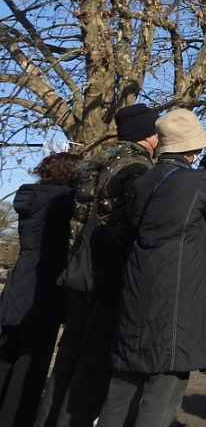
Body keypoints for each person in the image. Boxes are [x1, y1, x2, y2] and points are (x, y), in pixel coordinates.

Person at [96, 108, 206, 427]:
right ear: (193, 147)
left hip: (136, 290)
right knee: (164, 393)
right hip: (177, 299)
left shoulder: (141, 180)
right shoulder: (197, 181)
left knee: (120, 392)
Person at [35, 104, 160, 427]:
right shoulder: (136, 168)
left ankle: (47, 419)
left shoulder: (95, 165)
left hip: (78, 269)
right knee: (93, 361)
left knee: (67, 359)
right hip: (108, 274)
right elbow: (135, 223)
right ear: (148, 135)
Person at [0, 152, 79, 427]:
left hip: (20, 278)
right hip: (45, 286)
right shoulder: (64, 202)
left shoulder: (27, 197)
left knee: (7, 356)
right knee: (32, 366)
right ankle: (19, 418)